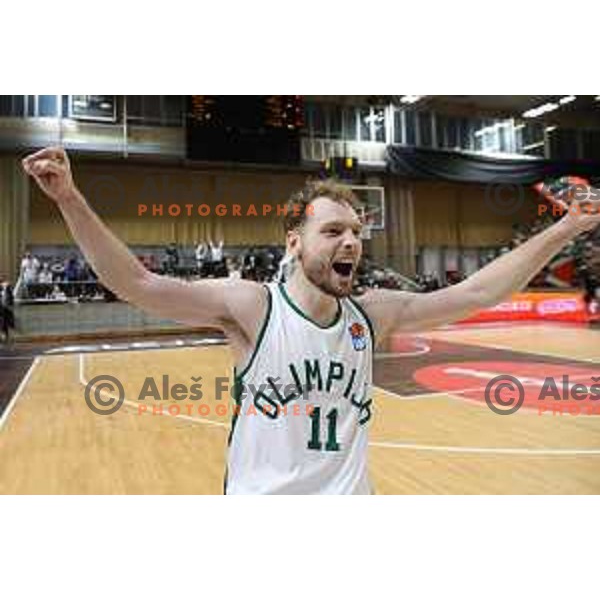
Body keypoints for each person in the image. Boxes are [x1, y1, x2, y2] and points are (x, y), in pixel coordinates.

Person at [22, 147, 600, 495]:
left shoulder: (372, 313)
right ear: (294, 244)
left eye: (355, 233)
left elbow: (476, 291)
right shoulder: (252, 306)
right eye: (332, 232)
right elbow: (139, 284)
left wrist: (567, 229)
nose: (350, 241)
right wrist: (70, 198)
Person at [0, 280, 15, 346]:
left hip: (5, 312)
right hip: (4, 312)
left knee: (4, 326)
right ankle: (5, 339)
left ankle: (5, 339)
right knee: (4, 326)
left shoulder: (6, 291)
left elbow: (10, 301)